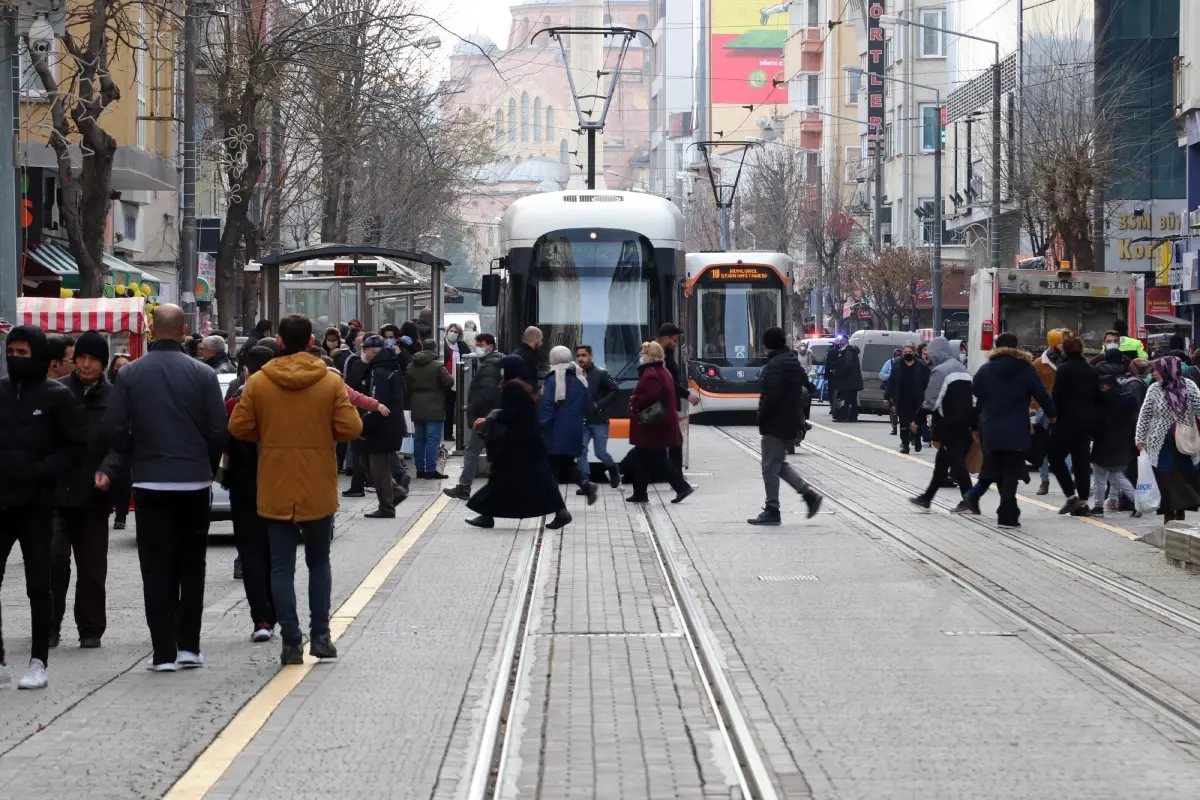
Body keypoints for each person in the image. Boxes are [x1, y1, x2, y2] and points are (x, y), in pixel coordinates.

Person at [228, 314, 363, 665]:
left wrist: (269, 437)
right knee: (319, 561)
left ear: (280, 343)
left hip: (274, 481)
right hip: (317, 481)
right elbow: (350, 426)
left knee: (280, 566)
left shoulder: (259, 382)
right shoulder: (329, 382)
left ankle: (290, 639)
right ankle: (320, 635)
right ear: (310, 342)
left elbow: (239, 426)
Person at [105, 304, 227, 672]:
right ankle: (189, 645)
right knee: (193, 564)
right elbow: (218, 430)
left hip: (149, 480)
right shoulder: (203, 374)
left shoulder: (131, 375)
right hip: (193, 480)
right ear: (184, 329)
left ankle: (163, 652)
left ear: (152, 329)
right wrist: (205, 465)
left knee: (156, 567)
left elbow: (114, 426)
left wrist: (134, 456)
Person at [0, 325, 86, 689]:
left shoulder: (56, 397)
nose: (17, 359)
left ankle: (38, 660)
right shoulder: (0, 393)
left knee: (39, 584)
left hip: (37, 504)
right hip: (1, 502)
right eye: (12, 352)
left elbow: (75, 449)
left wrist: (40, 471)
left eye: (24, 353)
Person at [49, 331, 121, 651]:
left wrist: (107, 471)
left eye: (93, 359)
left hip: (94, 497)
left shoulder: (115, 398)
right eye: (81, 358)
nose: (86, 364)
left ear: (103, 363)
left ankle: (90, 628)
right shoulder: (57, 392)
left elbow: (121, 444)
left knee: (92, 567)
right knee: (53, 558)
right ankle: (49, 624)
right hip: (55, 495)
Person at [465, 356, 570, 530]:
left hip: (518, 444)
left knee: (508, 479)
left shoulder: (512, 388)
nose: (501, 372)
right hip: (528, 442)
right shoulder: (523, 386)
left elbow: (511, 414)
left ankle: (487, 516)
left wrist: (491, 418)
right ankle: (487, 515)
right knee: (523, 479)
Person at [966, 332, 1055, 528]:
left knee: (997, 468)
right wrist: (1051, 414)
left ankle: (1006, 510)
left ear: (997, 347)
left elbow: (977, 397)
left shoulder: (986, 370)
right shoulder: (1026, 369)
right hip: (1016, 428)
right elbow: (1041, 393)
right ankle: (1007, 515)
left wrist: (974, 426)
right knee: (1011, 472)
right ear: (1016, 347)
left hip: (991, 427)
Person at [222, 345, 277, 642]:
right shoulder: (287, 397)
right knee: (277, 551)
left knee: (252, 552)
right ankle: (278, 612)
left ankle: (262, 618)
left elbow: (225, 437)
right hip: (281, 483)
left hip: (245, 485)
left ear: (246, 370)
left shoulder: (236, 400)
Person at [747, 328, 822, 525]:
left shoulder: (775, 365)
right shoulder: (791, 361)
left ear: (767, 345)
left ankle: (773, 509)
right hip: (788, 420)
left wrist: (761, 418)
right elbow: (807, 386)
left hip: (776, 422)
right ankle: (808, 495)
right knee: (778, 464)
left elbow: (771, 397)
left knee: (769, 467)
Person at [910, 337, 975, 509]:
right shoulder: (964, 370)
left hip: (949, 424)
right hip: (964, 423)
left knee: (957, 463)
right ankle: (927, 497)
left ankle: (970, 501)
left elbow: (931, 401)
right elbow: (973, 400)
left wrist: (918, 420)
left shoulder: (941, 371)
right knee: (942, 464)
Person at [1135, 356, 1200, 524]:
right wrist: (1140, 438)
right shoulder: (1154, 389)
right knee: (1164, 478)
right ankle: (1168, 515)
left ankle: (1179, 513)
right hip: (1160, 442)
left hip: (1183, 441)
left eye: (1156, 369)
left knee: (1182, 477)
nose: (1153, 373)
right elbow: (1145, 414)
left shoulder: (1190, 387)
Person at [627, 341, 694, 504]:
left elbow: (650, 396)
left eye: (643, 354)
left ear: (649, 355)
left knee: (658, 458)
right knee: (641, 457)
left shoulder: (651, 373)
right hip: (657, 423)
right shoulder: (662, 370)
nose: (641, 357)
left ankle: (682, 487)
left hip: (653, 424)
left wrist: (634, 399)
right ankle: (640, 492)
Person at [444, 333, 505, 500]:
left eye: (481, 344)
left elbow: (487, 393)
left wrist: (471, 408)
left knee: (473, 452)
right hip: (490, 416)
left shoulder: (489, 367)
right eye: (476, 344)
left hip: (485, 417)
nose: (478, 347)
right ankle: (466, 487)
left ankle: (465, 488)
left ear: (490, 347)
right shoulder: (494, 363)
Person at [1048, 331, 1100, 516]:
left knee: (1054, 457)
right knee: (1081, 462)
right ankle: (1084, 503)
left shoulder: (1064, 368)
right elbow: (1097, 396)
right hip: (1086, 421)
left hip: (1066, 421)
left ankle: (1071, 495)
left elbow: (1057, 395)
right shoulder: (1090, 369)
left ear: (1065, 350)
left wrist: (1052, 415)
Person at [540, 346, 599, 504]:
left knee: (551, 466)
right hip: (575, 428)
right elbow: (588, 405)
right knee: (565, 463)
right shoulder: (580, 378)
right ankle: (586, 484)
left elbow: (547, 406)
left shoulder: (553, 379)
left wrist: (539, 425)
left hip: (556, 430)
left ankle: (556, 506)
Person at [361, 333, 409, 517]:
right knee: (367, 462)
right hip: (391, 425)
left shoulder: (379, 373)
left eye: (364, 350)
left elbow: (377, 402)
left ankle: (386, 506)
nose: (362, 354)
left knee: (378, 468)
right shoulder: (391, 368)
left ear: (373, 352)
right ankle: (395, 492)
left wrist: (364, 426)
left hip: (382, 427)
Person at [1090, 374, 1139, 517]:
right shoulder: (1127, 399)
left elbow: (1096, 420)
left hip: (1103, 441)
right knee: (1115, 474)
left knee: (1101, 475)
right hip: (1122, 442)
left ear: (1105, 386)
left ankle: (1098, 507)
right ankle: (1137, 503)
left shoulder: (1102, 400)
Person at [406, 338, 453, 478]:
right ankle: (431, 470)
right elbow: (449, 381)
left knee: (419, 439)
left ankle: (419, 469)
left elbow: (407, 385)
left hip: (417, 406)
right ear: (436, 349)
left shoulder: (411, 366)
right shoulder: (438, 366)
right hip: (434, 406)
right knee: (432, 439)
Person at [575, 344, 621, 487]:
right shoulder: (575, 374)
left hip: (599, 420)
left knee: (600, 452)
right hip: (582, 420)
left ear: (590, 356)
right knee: (581, 451)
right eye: (578, 356)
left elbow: (614, 390)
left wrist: (599, 405)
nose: (580, 358)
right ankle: (586, 483)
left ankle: (613, 469)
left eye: (584, 355)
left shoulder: (601, 373)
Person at [655, 323, 698, 469]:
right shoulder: (660, 358)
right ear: (666, 339)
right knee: (675, 442)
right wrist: (688, 395)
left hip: (668, 406)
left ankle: (675, 477)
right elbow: (668, 383)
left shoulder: (665, 356)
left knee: (664, 443)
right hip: (664, 407)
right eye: (674, 340)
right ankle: (677, 478)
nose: (676, 344)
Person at [1032, 329, 1065, 495]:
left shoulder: (1068, 361)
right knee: (1043, 446)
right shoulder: (1039, 363)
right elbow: (1031, 387)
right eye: (1060, 342)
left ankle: (1067, 477)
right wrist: (1037, 406)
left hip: (1065, 409)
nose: (1062, 345)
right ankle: (1044, 480)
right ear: (1053, 343)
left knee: (1066, 445)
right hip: (1044, 411)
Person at [887, 341, 930, 455]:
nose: (907, 354)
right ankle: (905, 444)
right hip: (902, 399)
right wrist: (887, 396)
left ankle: (917, 438)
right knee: (904, 424)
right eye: (905, 352)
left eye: (909, 352)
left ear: (914, 352)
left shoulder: (921, 365)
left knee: (917, 421)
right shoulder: (897, 365)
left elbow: (927, 382)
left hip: (917, 399)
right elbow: (891, 381)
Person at [106, 354, 133, 529]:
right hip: (109, 436)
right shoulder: (108, 388)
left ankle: (121, 515)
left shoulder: (135, 387)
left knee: (123, 478)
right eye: (118, 365)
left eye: (125, 365)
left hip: (128, 437)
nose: (121, 368)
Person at [443, 323, 471, 441]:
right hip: (445, 381)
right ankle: (443, 433)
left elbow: (468, 359)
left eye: (456, 332)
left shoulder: (462, 346)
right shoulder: (443, 345)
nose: (453, 333)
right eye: (451, 331)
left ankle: (450, 433)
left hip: (458, 382)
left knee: (453, 408)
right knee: (444, 408)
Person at [825, 334, 862, 422]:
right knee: (852, 399)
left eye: (841, 343)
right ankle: (852, 416)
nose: (839, 345)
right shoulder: (851, 351)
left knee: (845, 399)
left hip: (848, 381)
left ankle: (843, 416)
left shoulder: (848, 352)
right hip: (853, 381)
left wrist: (837, 372)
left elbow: (847, 366)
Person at [879, 348, 902, 435]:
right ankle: (894, 427)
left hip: (903, 390)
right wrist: (891, 376)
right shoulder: (889, 363)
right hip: (892, 390)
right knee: (893, 410)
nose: (897, 357)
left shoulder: (905, 363)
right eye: (896, 355)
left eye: (899, 355)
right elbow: (881, 375)